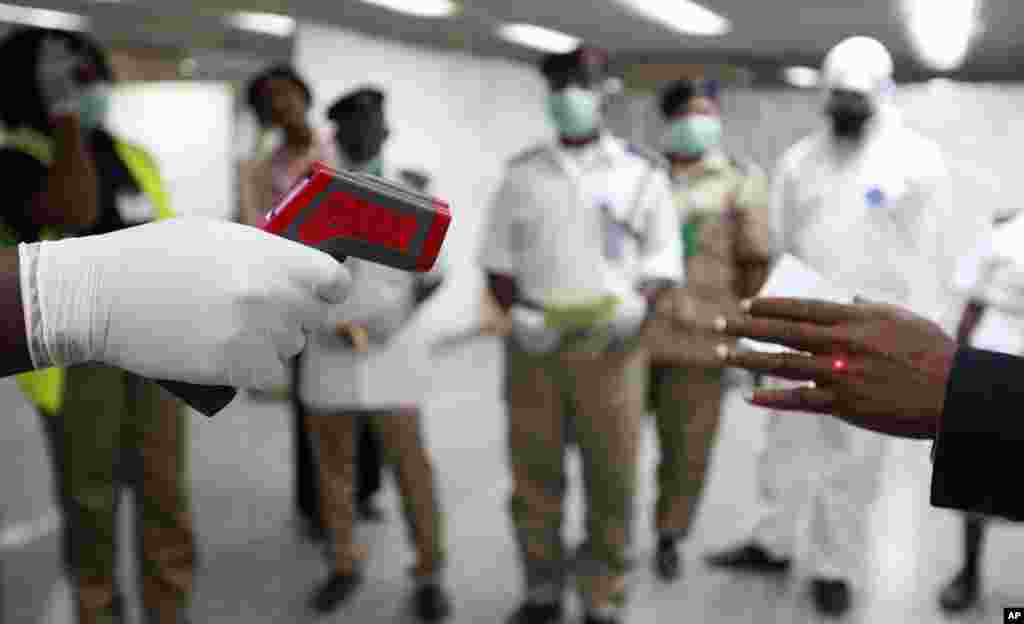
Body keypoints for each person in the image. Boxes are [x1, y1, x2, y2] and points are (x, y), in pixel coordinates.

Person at [703, 36, 969, 617]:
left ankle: (833, 565)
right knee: (783, 442)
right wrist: (761, 332)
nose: (845, 110)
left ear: (880, 96)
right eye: (838, 100)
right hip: (803, 319)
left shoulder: (918, 162)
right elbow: (785, 250)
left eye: (856, 100)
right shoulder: (801, 160)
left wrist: (926, 347)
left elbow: (933, 258)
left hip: (876, 331)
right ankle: (772, 542)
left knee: (855, 454)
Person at [479, 45, 683, 624]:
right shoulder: (521, 175)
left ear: (602, 94)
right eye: (562, 85)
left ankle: (603, 592)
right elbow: (497, 262)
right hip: (534, 344)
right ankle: (542, 590)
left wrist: (641, 305)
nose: (572, 95)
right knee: (534, 478)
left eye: (583, 84)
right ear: (550, 97)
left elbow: (665, 259)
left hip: (613, 347)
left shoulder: (641, 174)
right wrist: (516, 312)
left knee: (611, 477)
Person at [0, 27, 197, 623]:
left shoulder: (127, 154)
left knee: (167, 497)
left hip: (154, 350)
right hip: (80, 361)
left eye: (91, 73)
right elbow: (75, 209)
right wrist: (64, 119)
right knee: (92, 505)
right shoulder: (17, 160)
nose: (94, 87)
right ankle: (98, 611)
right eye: (73, 77)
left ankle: (171, 612)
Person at [299, 87, 452, 621]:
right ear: (337, 135)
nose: (363, 135)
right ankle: (343, 563)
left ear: (386, 132)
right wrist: (317, 317)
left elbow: (436, 272)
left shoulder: (413, 192)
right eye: (351, 127)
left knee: (412, 469)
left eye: (372, 125)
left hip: (393, 352)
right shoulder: (308, 194)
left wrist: (400, 311)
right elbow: (278, 269)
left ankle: (430, 572)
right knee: (333, 471)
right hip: (327, 349)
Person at [639, 77, 772, 582]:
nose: (702, 121)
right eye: (692, 111)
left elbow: (755, 264)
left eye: (709, 111)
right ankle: (605, 532)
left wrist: (753, 338)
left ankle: (669, 535)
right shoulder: (640, 175)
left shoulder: (740, 180)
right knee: (615, 444)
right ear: (670, 119)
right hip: (629, 333)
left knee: (687, 451)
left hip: (700, 335)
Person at [243, 65, 334, 542]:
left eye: (290, 95)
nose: (285, 107)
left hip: (351, 293)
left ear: (304, 95)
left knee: (362, 408)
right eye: (272, 101)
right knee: (310, 405)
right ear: (265, 115)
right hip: (299, 296)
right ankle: (315, 504)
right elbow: (257, 229)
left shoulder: (337, 147)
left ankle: (361, 493)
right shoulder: (265, 169)